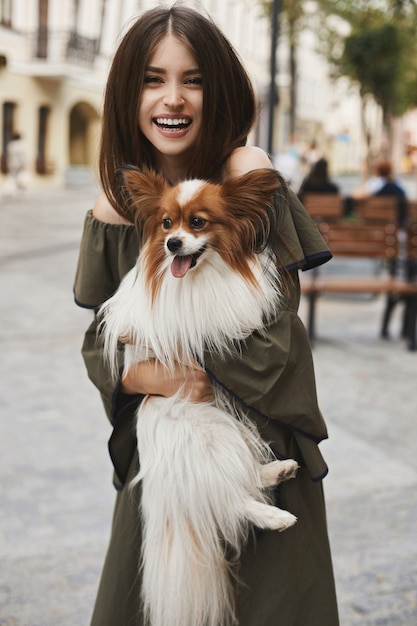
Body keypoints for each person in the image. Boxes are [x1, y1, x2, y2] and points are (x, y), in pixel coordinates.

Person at [73, 6, 339, 625]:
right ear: (126, 94)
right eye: (151, 78)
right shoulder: (119, 207)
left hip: (261, 446)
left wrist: (162, 347)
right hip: (172, 466)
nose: (173, 98)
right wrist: (149, 375)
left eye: (192, 79)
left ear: (217, 88)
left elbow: (277, 340)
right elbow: (99, 345)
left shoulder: (247, 177)